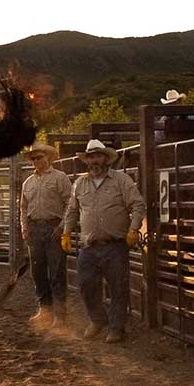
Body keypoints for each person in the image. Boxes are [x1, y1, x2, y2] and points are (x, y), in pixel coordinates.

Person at [62, 139, 146, 343]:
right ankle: (97, 319)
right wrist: (66, 232)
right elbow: (72, 210)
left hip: (115, 244)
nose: (94, 160)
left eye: (98, 156)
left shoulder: (121, 180)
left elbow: (137, 205)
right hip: (89, 245)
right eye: (91, 157)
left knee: (118, 286)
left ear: (106, 158)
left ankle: (117, 327)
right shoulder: (79, 183)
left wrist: (134, 229)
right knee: (85, 283)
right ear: (87, 161)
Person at [20, 144, 72, 327]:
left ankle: (59, 314)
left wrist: (62, 226)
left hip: (53, 227)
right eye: (33, 158)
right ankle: (45, 309)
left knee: (57, 270)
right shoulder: (28, 182)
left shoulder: (60, 178)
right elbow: (23, 207)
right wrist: (24, 227)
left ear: (48, 158)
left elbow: (70, 204)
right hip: (34, 228)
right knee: (38, 271)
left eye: (39, 157)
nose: (36, 161)